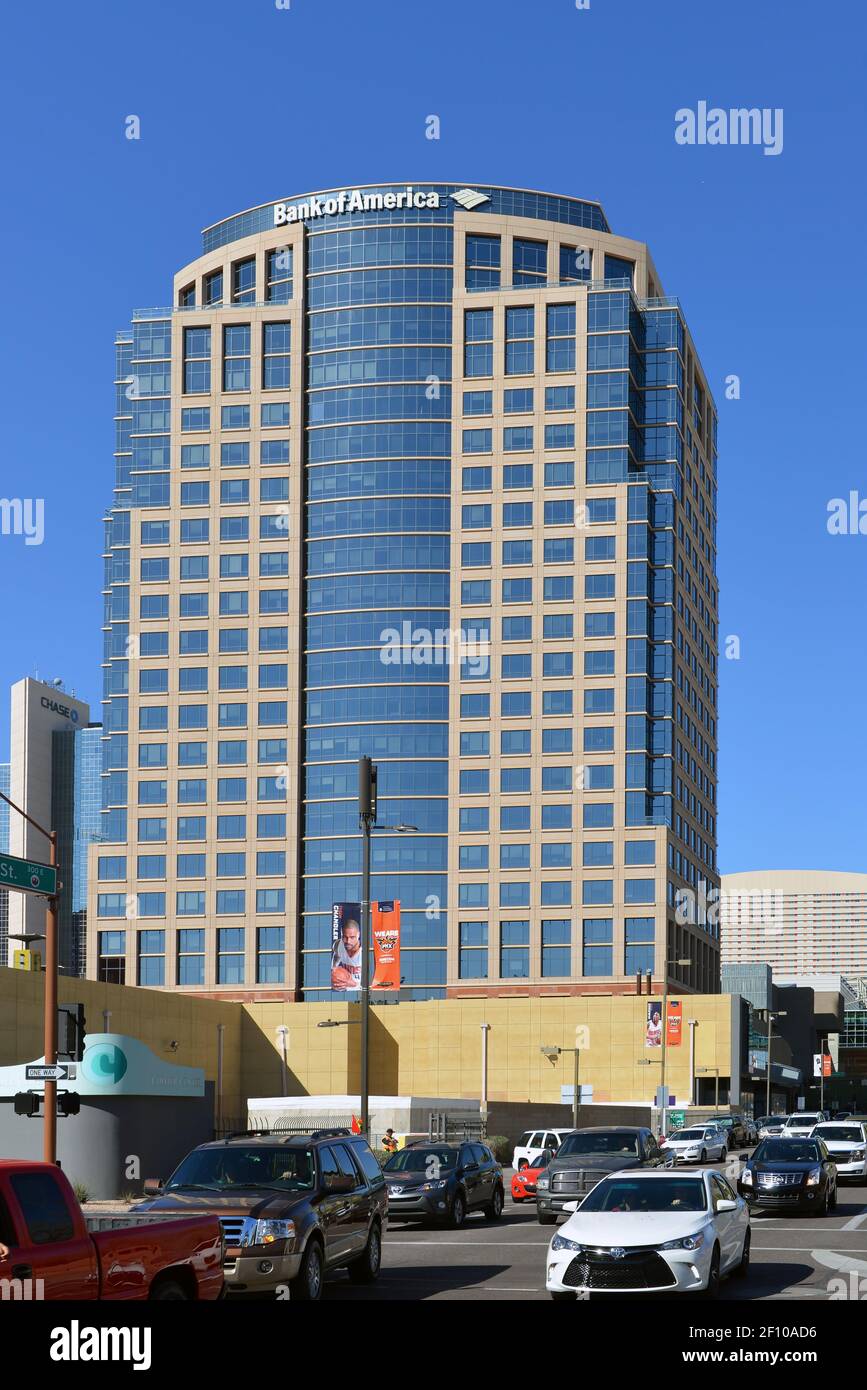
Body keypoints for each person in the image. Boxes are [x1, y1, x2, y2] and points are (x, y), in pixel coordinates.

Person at [331, 916, 362, 990]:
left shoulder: (364, 952)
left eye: (352, 937)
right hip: (344, 989)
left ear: (358, 935)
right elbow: (336, 956)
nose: (348, 941)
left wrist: (354, 984)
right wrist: (334, 969)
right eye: (345, 937)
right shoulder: (338, 944)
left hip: (362, 991)